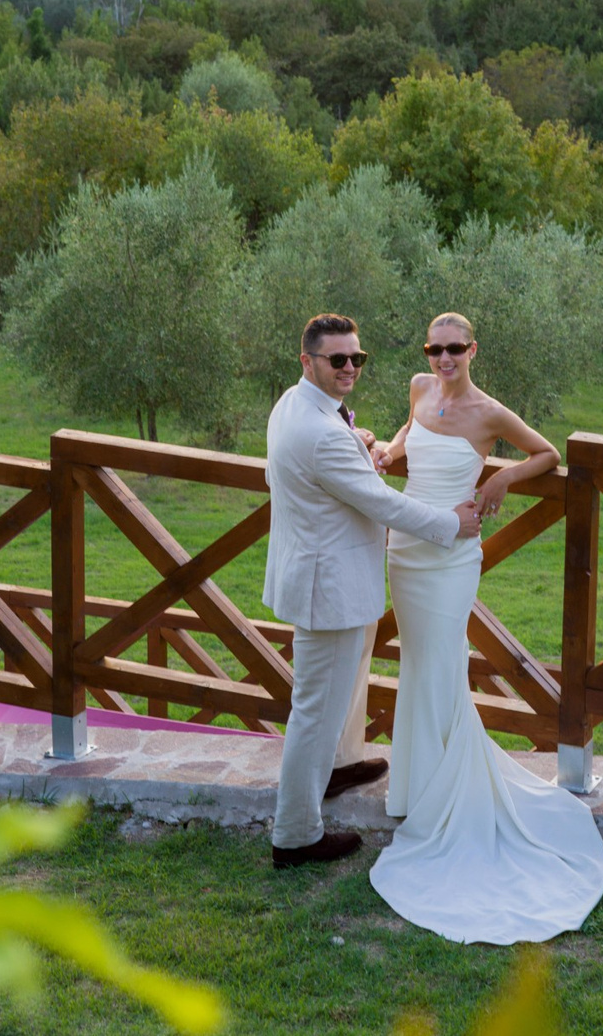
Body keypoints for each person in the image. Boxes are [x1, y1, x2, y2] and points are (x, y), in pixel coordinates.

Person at [360, 310, 603, 942]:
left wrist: (502, 473)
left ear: (472, 350)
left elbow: (547, 453)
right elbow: (409, 430)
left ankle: (449, 796)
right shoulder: (419, 388)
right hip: (406, 546)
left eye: (454, 349)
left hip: (452, 554)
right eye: (434, 348)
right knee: (418, 661)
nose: (443, 359)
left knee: (443, 660)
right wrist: (390, 450)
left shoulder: (490, 412)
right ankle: (417, 791)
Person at [260, 311, 477, 870]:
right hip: (328, 589)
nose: (350, 367)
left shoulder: (292, 405)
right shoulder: (319, 433)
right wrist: (451, 523)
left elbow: (306, 463)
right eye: (337, 359)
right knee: (314, 709)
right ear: (307, 361)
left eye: (357, 357)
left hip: (316, 575)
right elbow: (382, 502)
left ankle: (336, 768)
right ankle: (295, 835)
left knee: (332, 694)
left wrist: (354, 442)